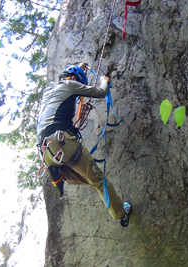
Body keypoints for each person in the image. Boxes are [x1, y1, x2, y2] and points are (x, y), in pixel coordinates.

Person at [36, 63, 132, 227]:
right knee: (98, 181)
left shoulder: (48, 92)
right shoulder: (70, 84)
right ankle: (121, 214)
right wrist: (104, 80)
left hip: (46, 153)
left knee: (90, 179)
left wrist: (79, 68)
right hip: (63, 144)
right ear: (73, 79)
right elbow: (101, 92)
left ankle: (79, 181)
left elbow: (67, 80)